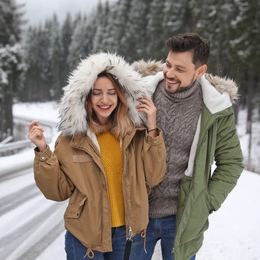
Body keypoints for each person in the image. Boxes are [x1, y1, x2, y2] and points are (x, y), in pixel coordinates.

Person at [28, 52, 166, 259]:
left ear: (121, 96)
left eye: (111, 92)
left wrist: (152, 127)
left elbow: (154, 176)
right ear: (85, 97)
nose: (104, 99)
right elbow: (58, 191)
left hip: (128, 235)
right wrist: (43, 152)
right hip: (86, 237)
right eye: (97, 93)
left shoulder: (136, 135)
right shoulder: (71, 139)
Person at [129, 32, 244, 260]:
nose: (169, 74)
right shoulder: (140, 95)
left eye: (180, 69)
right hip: (137, 213)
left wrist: (205, 202)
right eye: (168, 65)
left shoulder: (215, 109)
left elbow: (231, 163)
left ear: (200, 71)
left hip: (181, 218)